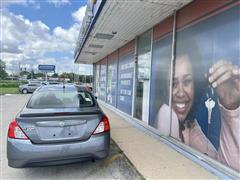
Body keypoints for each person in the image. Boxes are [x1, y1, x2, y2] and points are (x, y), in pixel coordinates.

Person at [156, 43, 240, 171]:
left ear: (195, 85)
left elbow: (221, 167)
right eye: (173, 84)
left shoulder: (189, 125)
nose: (180, 92)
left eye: (187, 81)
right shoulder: (166, 114)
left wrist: (231, 108)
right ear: (164, 88)